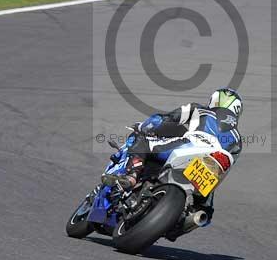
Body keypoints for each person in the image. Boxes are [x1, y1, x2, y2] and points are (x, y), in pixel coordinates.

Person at [102, 88, 243, 222]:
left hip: (192, 146)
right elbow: (226, 169)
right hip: (212, 168)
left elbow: (168, 118)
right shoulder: (238, 140)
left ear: (215, 100)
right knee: (205, 210)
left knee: (143, 141)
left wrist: (144, 126)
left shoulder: (200, 109)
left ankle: (131, 177)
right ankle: (194, 215)